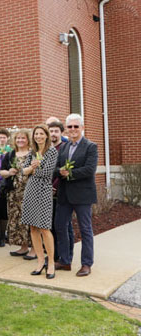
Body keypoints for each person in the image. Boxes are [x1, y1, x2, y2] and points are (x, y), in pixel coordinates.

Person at [55, 113, 98, 277]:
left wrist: (69, 173)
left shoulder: (90, 146)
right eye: (70, 126)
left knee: (85, 229)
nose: (72, 129)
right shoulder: (64, 147)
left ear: (82, 128)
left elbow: (90, 169)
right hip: (65, 195)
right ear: (66, 128)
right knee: (60, 226)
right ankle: (65, 261)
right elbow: (56, 168)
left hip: (82, 196)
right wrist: (60, 171)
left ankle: (86, 264)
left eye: (76, 126)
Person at [21, 125, 58, 279]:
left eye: (41, 134)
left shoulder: (52, 152)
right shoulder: (32, 152)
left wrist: (33, 168)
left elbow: (47, 172)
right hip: (30, 189)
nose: (38, 136)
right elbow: (24, 170)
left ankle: (51, 263)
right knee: (33, 227)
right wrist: (32, 167)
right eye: (36, 134)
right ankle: (40, 261)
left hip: (44, 190)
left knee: (44, 227)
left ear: (46, 135)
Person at [0, 130, 35, 259]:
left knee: (30, 220)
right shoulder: (10, 155)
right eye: (18, 138)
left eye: (23, 138)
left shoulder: (33, 154)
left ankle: (34, 249)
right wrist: (9, 172)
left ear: (28, 140)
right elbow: (1, 172)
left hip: (29, 191)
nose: (20, 140)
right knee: (17, 220)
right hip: (13, 193)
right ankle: (23, 246)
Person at [48, 121, 74, 264]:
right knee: (52, 226)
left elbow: (63, 171)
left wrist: (54, 187)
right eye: (51, 131)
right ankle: (55, 254)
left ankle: (67, 257)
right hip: (47, 193)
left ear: (61, 133)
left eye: (56, 131)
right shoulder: (47, 150)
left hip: (60, 193)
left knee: (65, 226)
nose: (53, 134)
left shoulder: (64, 148)